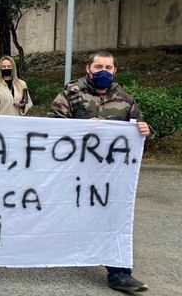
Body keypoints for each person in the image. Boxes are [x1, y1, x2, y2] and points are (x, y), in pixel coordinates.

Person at [48, 50, 150, 293]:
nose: (103, 71)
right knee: (61, 214)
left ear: (115, 71)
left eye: (108, 67)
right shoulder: (71, 95)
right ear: (88, 69)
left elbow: (138, 127)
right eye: (98, 67)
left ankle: (119, 274)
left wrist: (146, 129)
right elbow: (51, 125)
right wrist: (80, 127)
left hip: (109, 177)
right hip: (74, 172)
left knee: (113, 219)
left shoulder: (125, 99)